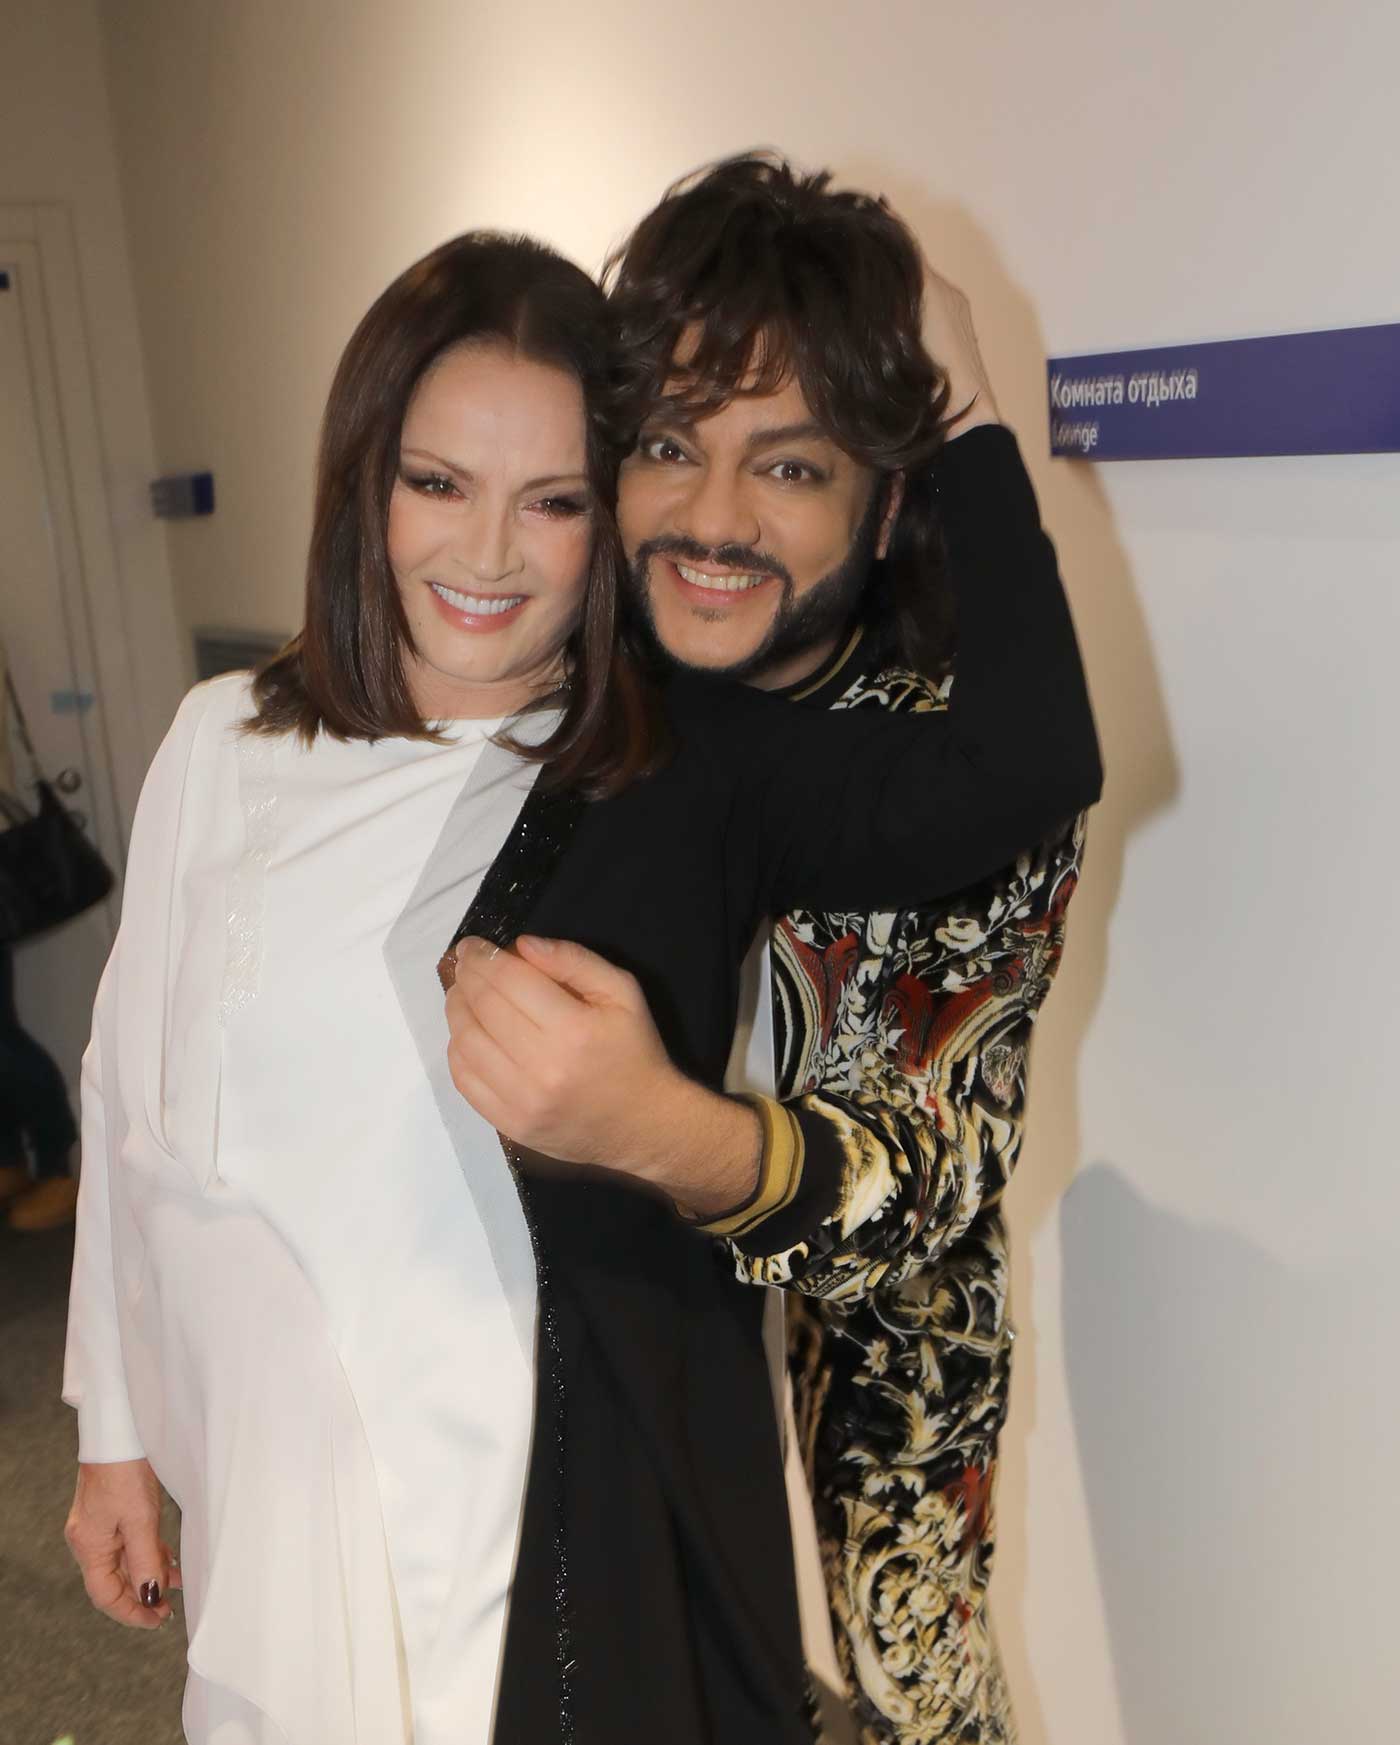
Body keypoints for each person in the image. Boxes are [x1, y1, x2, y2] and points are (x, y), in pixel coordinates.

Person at [63, 231, 1099, 1745]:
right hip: (262, 1481)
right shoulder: (222, 738)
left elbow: (1030, 762)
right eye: (438, 483)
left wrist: (966, 413)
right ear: (362, 477)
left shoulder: (669, 768)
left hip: (509, 1525)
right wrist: (113, 1430)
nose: (488, 555)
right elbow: (127, 1095)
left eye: (551, 501)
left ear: (604, 516)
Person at [447, 154, 1087, 1744]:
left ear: (889, 497)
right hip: (639, 1319)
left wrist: (658, 1125)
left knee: (914, 1694)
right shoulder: (598, 669)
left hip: (876, 1312)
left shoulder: (952, 757)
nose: (713, 519)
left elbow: (927, 1177)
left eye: (790, 467)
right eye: (670, 446)